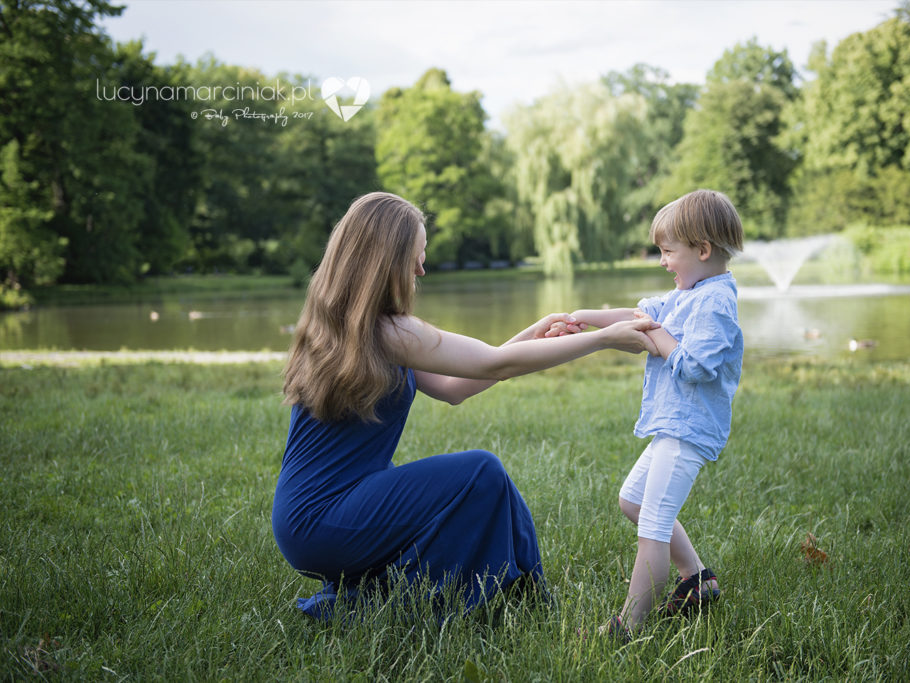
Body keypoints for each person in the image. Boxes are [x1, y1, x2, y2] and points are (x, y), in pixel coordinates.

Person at [271, 191, 658, 620]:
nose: (422, 268)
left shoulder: (348, 326)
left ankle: (506, 596)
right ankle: (524, 601)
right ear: (384, 259)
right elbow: (496, 364)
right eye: (415, 256)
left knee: (468, 481)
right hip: (324, 519)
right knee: (480, 471)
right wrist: (604, 337)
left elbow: (456, 386)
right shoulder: (388, 332)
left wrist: (533, 333)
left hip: (306, 520)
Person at [546, 189, 744, 639]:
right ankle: (696, 579)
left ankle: (629, 626)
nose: (662, 261)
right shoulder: (687, 293)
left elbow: (696, 364)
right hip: (671, 425)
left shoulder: (714, 303)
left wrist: (654, 340)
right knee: (632, 502)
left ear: (703, 250)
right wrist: (582, 318)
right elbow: (639, 314)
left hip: (689, 429)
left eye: (667, 251)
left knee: (652, 526)